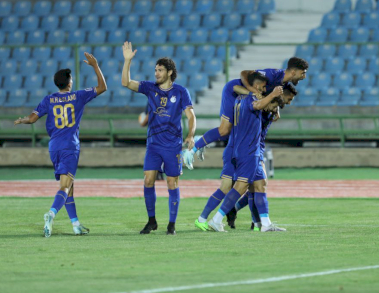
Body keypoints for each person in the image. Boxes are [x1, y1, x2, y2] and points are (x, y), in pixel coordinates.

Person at [14, 53, 107, 237]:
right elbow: (102, 87)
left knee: (69, 186)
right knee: (65, 186)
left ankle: (75, 224)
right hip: (69, 146)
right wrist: (95, 66)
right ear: (69, 82)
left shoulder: (49, 99)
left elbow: (32, 118)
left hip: (54, 146)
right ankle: (51, 214)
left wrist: (23, 120)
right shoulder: (77, 96)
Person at [121, 42, 196, 236]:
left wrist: (190, 135)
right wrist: (127, 61)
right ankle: (152, 221)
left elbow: (191, 116)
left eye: (160, 70)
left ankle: (171, 224)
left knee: (172, 184)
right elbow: (126, 83)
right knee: (148, 180)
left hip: (172, 146)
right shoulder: (149, 88)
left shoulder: (181, 92)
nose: (156, 73)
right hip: (153, 145)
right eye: (155, 70)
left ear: (170, 72)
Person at [183, 57, 308, 168]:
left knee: (236, 132)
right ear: (293, 72)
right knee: (225, 130)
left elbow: (272, 96)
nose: (304, 77)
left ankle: (204, 140)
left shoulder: (284, 83)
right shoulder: (273, 74)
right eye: (303, 73)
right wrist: (252, 91)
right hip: (234, 92)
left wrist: (276, 108)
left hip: (247, 100)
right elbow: (244, 73)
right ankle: (191, 151)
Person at [194, 72, 270, 231]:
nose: (264, 90)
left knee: (249, 186)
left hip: (236, 149)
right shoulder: (250, 100)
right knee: (241, 187)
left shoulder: (239, 100)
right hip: (242, 150)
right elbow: (238, 89)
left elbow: (235, 87)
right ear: (255, 85)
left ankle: (259, 224)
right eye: (262, 87)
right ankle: (215, 218)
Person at [207, 86, 286, 232]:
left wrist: (275, 108)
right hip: (249, 150)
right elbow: (241, 89)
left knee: (260, 184)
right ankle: (216, 219)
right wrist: (272, 95)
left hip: (253, 150)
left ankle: (265, 224)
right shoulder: (253, 104)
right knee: (241, 186)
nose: (273, 110)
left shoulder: (257, 109)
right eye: (273, 106)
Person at [226, 82, 298, 230]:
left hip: (257, 147)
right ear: (280, 94)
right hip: (251, 148)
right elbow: (239, 89)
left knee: (257, 186)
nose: (289, 103)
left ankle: (238, 211)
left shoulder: (271, 109)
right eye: (288, 99)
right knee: (255, 186)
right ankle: (255, 221)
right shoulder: (262, 104)